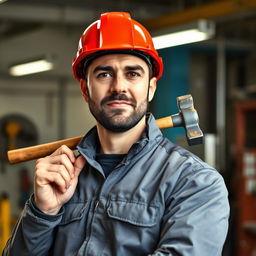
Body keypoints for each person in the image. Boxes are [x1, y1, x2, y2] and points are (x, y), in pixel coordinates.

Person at [3, 12, 229, 256]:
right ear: (85, 89)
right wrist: (42, 212)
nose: (119, 86)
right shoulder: (61, 177)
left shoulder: (195, 182)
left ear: (151, 87)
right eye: (104, 74)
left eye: (133, 74)